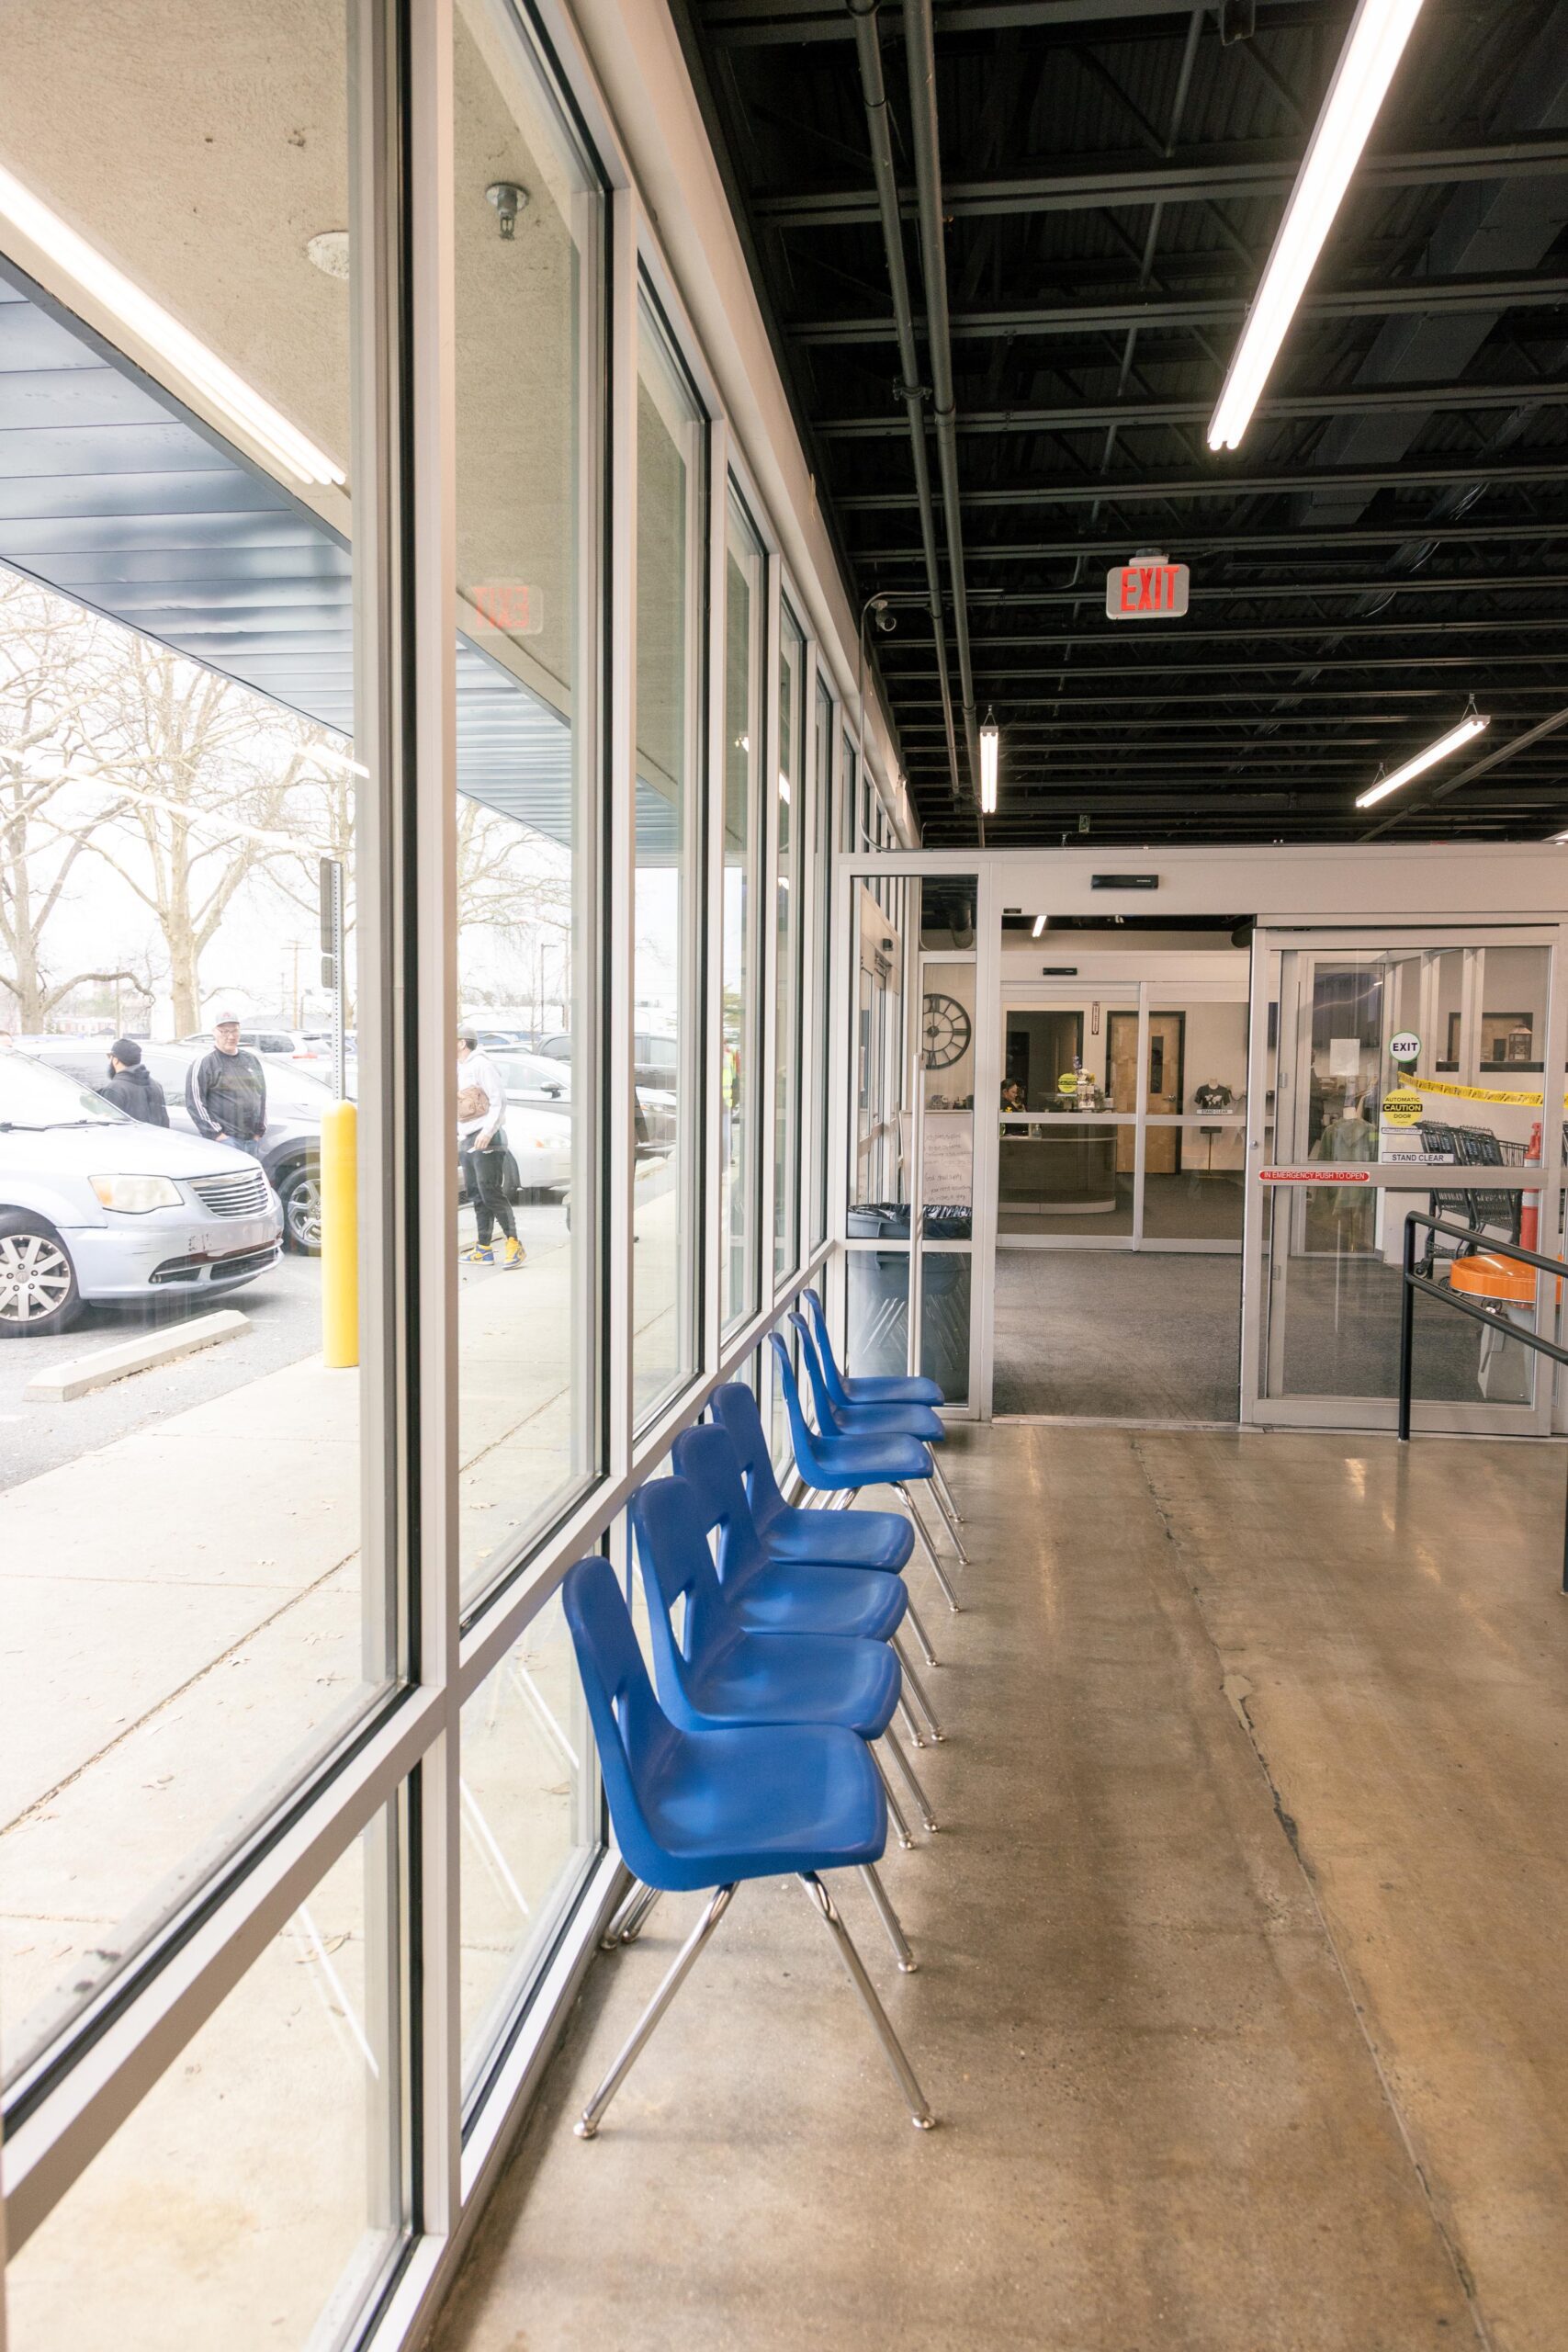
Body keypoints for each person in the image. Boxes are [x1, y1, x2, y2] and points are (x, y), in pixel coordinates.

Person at [457, 1031, 525, 1269]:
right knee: (477, 1195)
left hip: (488, 1138)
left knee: (491, 1192)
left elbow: (498, 1100)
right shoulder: (460, 1067)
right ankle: (483, 1249)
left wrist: (487, 1132)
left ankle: (514, 1244)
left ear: (462, 1042)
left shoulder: (481, 1065)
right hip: (468, 1138)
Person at [186, 1014, 267, 1160]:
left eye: (235, 1031)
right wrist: (217, 1135)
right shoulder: (205, 1062)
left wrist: (259, 1131)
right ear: (214, 1032)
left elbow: (261, 1096)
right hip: (226, 1141)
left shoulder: (251, 1060)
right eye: (224, 1031)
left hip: (251, 1140)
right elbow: (195, 1102)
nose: (230, 1036)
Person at [98, 1036, 168, 1126]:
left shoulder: (114, 1089)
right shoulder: (156, 1085)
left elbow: (111, 1129)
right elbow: (165, 1122)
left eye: (110, 1058)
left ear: (115, 1060)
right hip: (154, 1139)